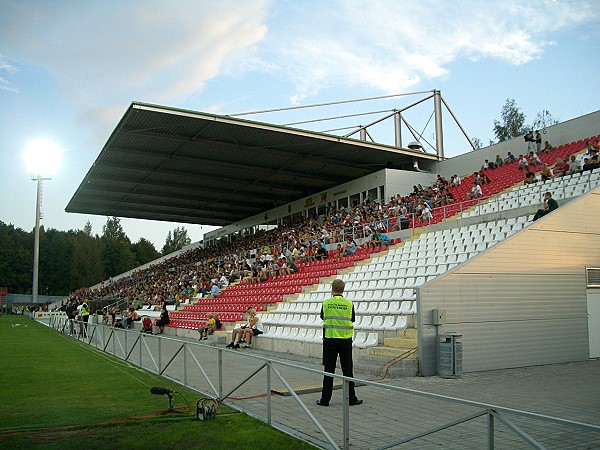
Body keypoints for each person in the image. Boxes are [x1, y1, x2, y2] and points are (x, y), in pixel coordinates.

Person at [316, 279, 362, 407]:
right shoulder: (349, 304)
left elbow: (322, 317)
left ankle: (325, 400)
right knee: (347, 371)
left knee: (329, 370)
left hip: (330, 340)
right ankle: (351, 398)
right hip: (345, 341)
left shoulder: (326, 303)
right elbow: (352, 319)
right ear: (343, 289)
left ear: (332, 289)